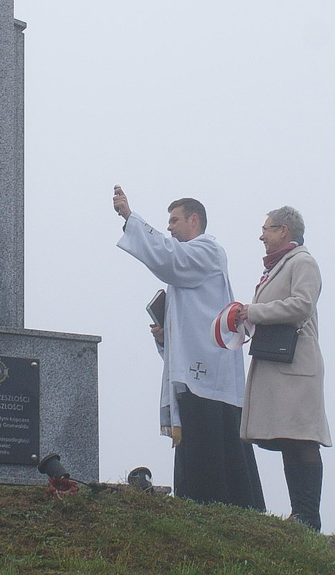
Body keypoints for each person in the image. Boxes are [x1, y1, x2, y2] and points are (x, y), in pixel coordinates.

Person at [113, 187, 265, 510]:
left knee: (213, 444)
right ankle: (197, 505)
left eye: (174, 220)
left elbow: (168, 259)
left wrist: (131, 218)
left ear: (194, 220)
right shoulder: (188, 268)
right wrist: (165, 338)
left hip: (211, 374)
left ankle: (221, 507)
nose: (169, 227)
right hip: (198, 370)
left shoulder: (208, 252)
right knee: (196, 445)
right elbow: (190, 324)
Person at [238, 206, 331, 531]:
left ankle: (309, 516)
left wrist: (254, 311)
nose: (261, 235)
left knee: (304, 439)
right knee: (291, 440)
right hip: (282, 365)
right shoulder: (279, 267)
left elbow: (302, 304)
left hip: (298, 365)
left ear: (284, 231)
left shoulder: (302, 262)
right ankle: (300, 515)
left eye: (266, 228)